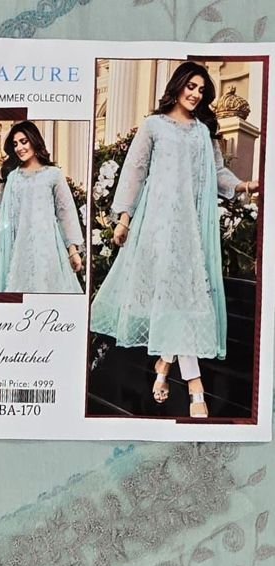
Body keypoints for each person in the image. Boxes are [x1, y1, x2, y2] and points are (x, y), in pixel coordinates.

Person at [90, 60, 260, 417]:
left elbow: (217, 173)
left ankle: (165, 367)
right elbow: (134, 171)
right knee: (178, 299)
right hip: (156, 227)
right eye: (191, 86)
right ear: (178, 85)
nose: (195, 94)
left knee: (182, 300)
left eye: (202, 90)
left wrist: (243, 185)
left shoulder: (202, 132)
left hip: (189, 229)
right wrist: (124, 220)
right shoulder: (154, 126)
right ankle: (195, 386)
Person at [0, 121, 85, 293]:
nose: (19, 148)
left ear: (34, 140)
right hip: (19, 250)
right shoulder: (12, 177)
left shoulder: (53, 174)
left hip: (48, 249)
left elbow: (65, 212)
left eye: (23, 141)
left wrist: (73, 251)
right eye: (15, 144)